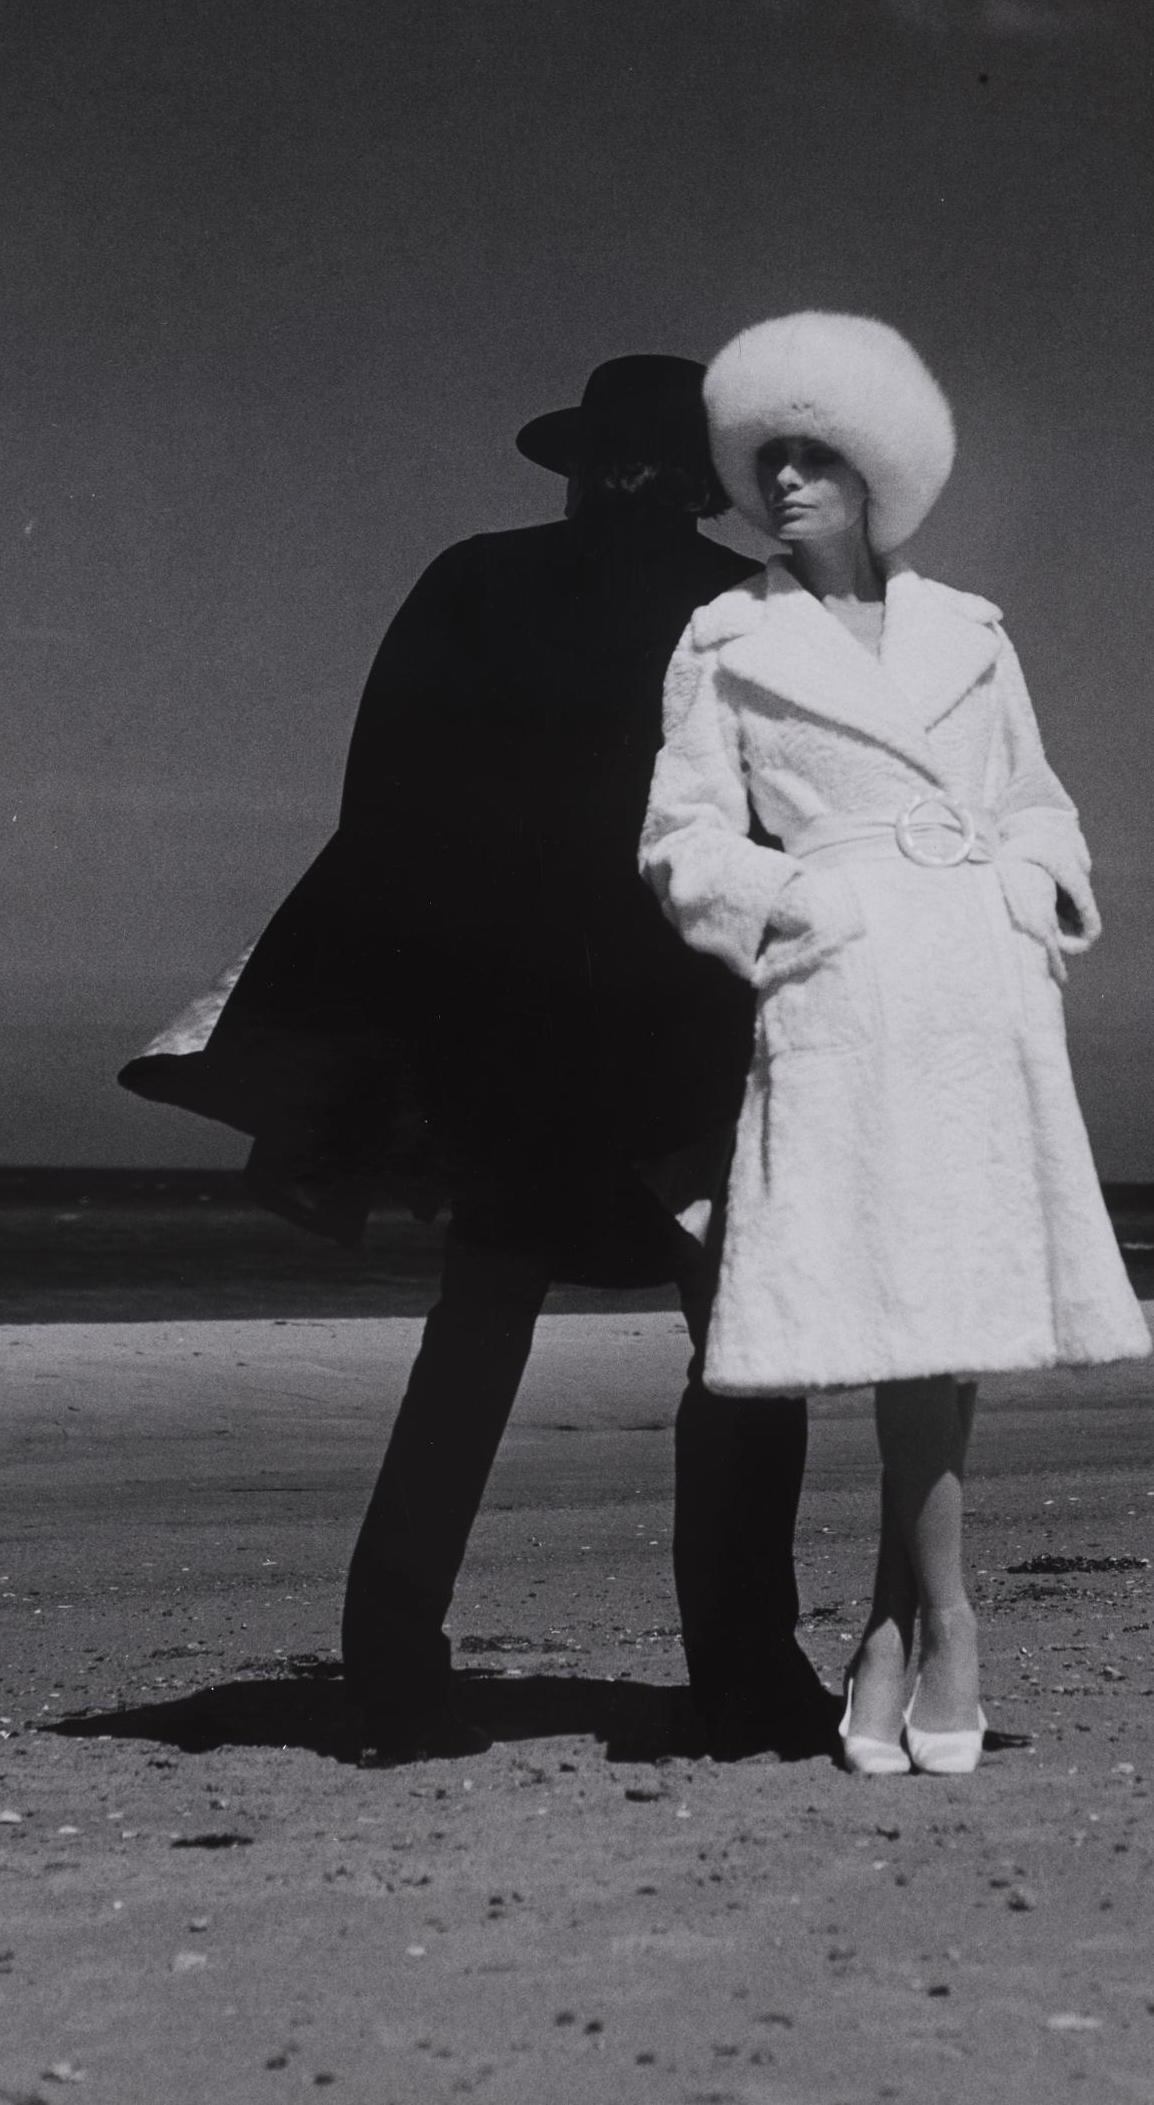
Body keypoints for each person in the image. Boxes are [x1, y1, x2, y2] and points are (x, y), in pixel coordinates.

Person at [640, 313, 1152, 1776]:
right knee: (890, 1301)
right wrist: (801, 905)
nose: (785, 482)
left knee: (949, 1300)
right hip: (846, 979)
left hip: (977, 981)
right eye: (767, 459)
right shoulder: (727, 638)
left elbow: (1037, 799)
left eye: (816, 456)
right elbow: (680, 838)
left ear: (879, 470)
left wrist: (1029, 891)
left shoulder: (972, 633)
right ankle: (945, 1619)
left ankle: (894, 1630)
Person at [333, 355, 839, 1765]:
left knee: (477, 1331)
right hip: (689, 1029)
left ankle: (388, 1675)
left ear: (579, 469)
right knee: (742, 1343)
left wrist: (403, 1038)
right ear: (707, 487)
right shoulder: (759, 612)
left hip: (511, 1028)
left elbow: (385, 813)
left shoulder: (476, 582)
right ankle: (743, 1673)